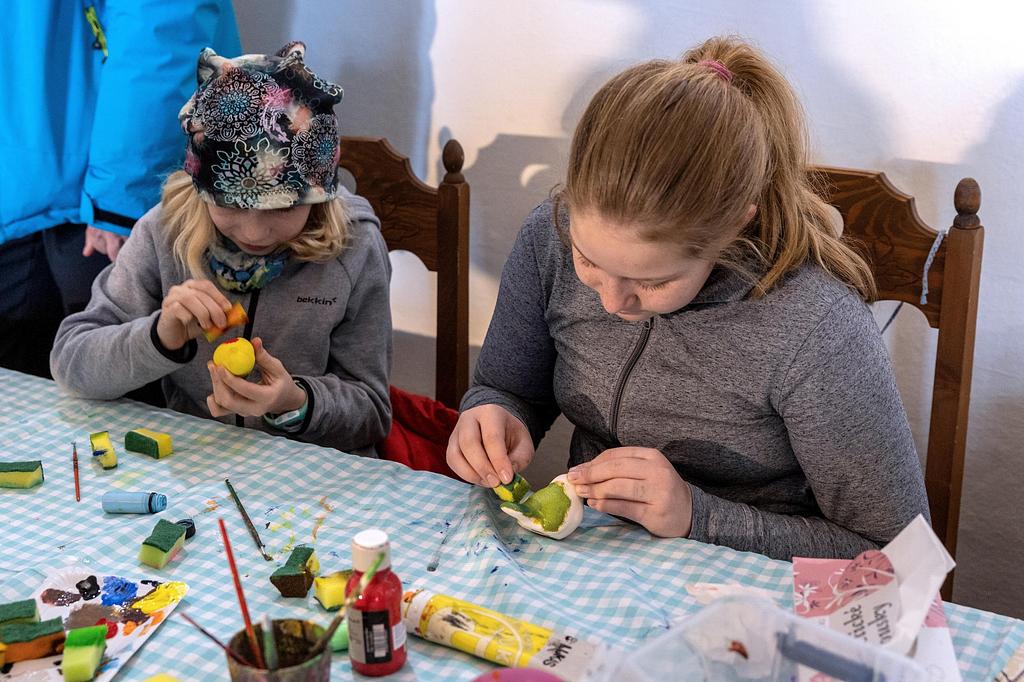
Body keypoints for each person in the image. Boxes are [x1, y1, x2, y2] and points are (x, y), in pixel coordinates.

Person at [447, 36, 929, 560]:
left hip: (749, 591)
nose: (612, 304)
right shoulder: (550, 235)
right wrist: (493, 412)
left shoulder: (817, 327)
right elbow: (508, 387)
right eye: (588, 262)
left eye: (652, 282)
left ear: (733, 227)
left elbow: (901, 557)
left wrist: (698, 516)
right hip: (595, 569)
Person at [50, 43, 392, 455]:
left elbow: (372, 411)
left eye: (283, 208)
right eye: (230, 204)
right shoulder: (166, 229)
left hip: (313, 472)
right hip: (195, 464)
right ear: (201, 188)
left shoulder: (355, 247)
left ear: (319, 198)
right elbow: (71, 362)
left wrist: (296, 403)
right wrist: (159, 337)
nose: (255, 231)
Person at [0, 1, 240, 380]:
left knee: (117, 385)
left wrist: (121, 198)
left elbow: (160, 29)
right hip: (39, 185)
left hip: (96, 204)